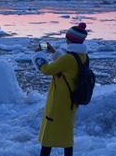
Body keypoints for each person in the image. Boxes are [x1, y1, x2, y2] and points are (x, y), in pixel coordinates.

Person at [31, 22, 89, 156]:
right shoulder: (82, 56)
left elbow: (47, 69)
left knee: (50, 131)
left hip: (59, 100)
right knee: (66, 131)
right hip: (71, 100)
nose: (66, 39)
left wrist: (38, 56)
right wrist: (53, 52)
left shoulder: (69, 58)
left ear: (71, 39)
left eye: (67, 37)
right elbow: (69, 64)